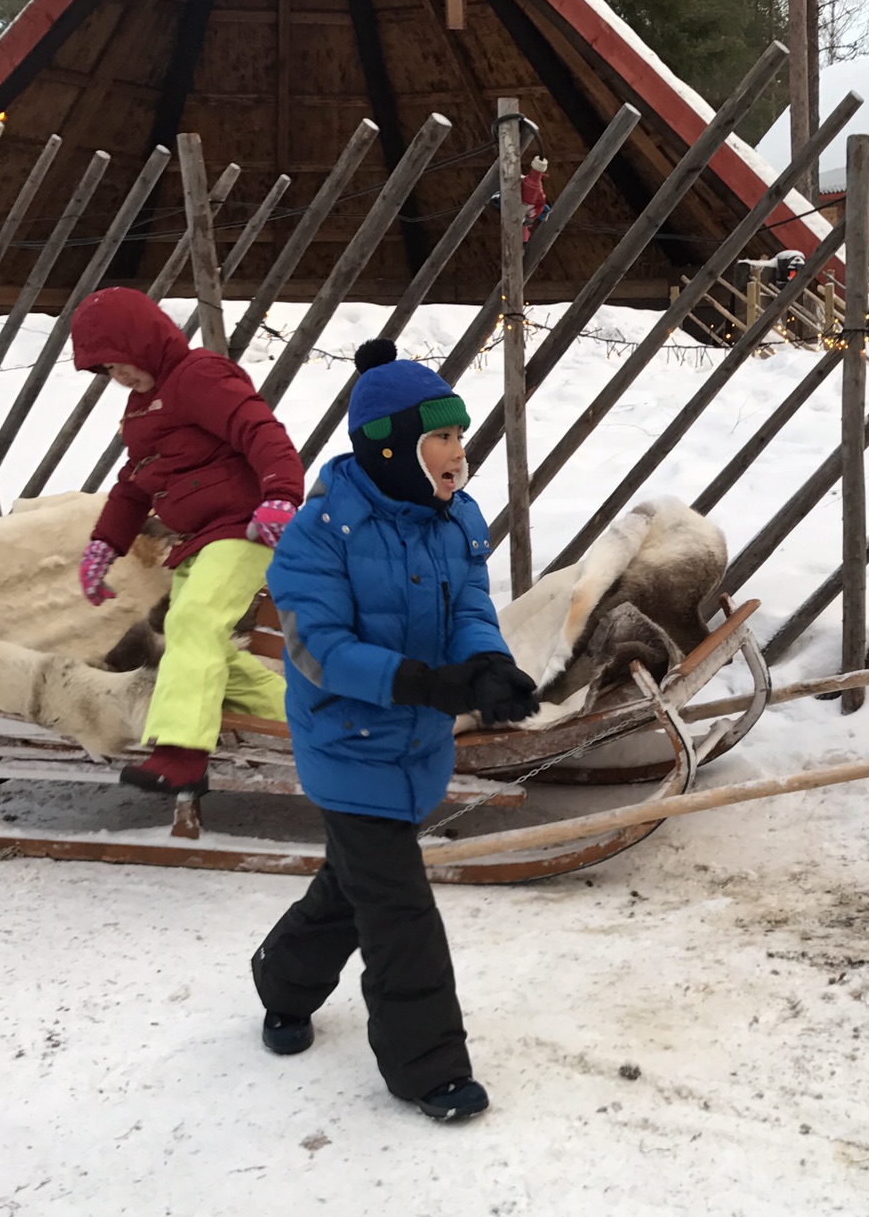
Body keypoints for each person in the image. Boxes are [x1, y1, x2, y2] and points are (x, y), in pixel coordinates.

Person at [250, 340, 539, 1122]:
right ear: (388, 446)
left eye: (460, 437)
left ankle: (281, 980)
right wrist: (421, 682)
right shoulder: (317, 536)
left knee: (353, 886)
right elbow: (317, 650)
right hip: (346, 744)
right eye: (441, 437)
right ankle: (428, 1067)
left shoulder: (455, 521)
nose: (458, 452)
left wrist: (484, 664)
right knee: (399, 907)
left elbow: (470, 607)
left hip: (417, 744)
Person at [72, 287, 302, 794]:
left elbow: (259, 431)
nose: (119, 376)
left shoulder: (199, 375)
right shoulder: (140, 412)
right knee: (191, 639)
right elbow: (134, 484)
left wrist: (282, 495)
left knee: (196, 619)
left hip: (244, 527)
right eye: (107, 371)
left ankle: (181, 753)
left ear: (144, 339)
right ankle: (305, 712)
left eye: (121, 361)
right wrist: (104, 545)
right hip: (198, 539)